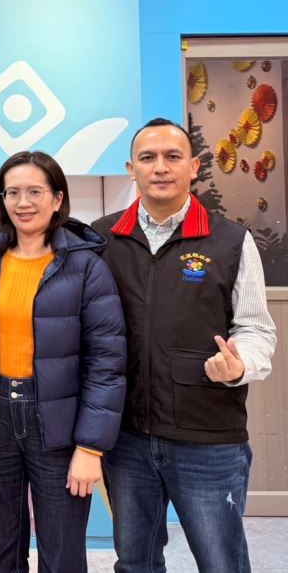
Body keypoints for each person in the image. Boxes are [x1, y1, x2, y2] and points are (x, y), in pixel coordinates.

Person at [93, 118, 277, 573]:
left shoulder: (231, 240)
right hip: (127, 439)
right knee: (135, 563)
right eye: (148, 158)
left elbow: (257, 329)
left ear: (193, 167)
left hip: (208, 439)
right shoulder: (101, 239)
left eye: (173, 157)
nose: (160, 167)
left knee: (221, 563)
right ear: (131, 169)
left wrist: (239, 365)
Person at [0, 150, 127, 573]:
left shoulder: (86, 266)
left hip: (59, 424)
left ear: (57, 198)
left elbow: (107, 361)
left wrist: (90, 446)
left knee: (62, 555)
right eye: (12, 193)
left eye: (34, 191)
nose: (23, 202)